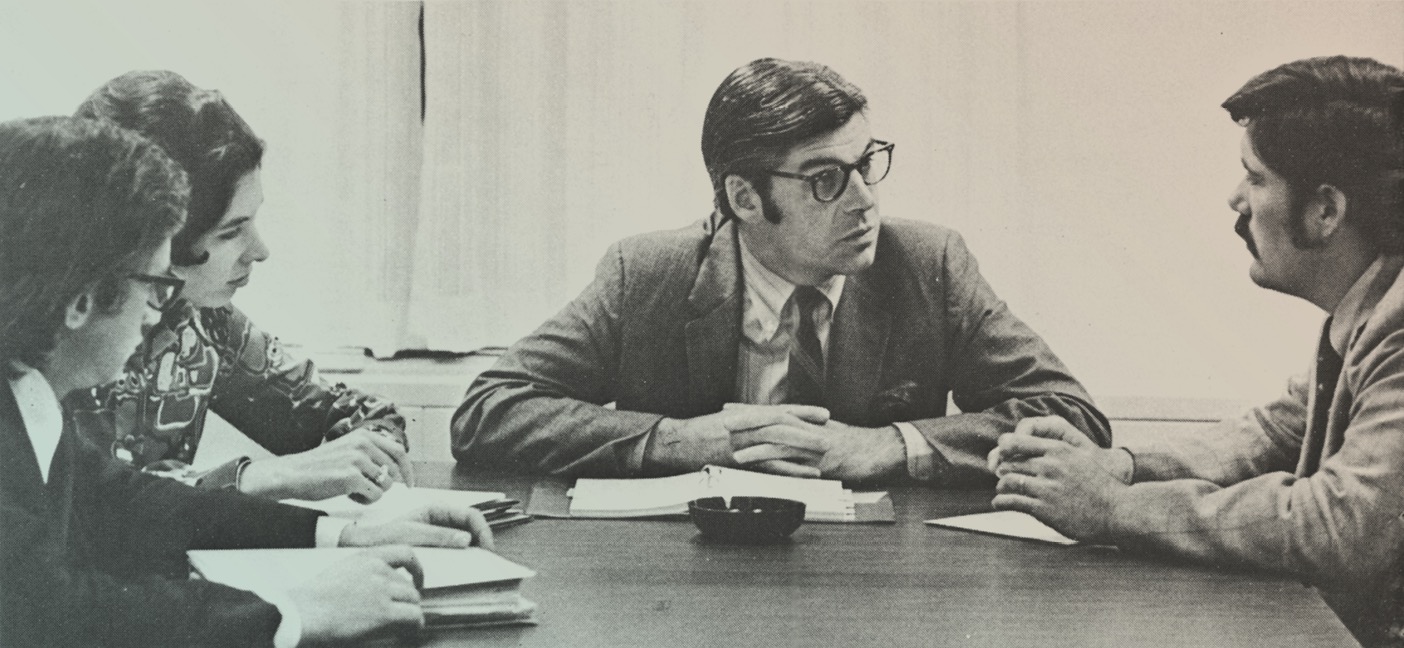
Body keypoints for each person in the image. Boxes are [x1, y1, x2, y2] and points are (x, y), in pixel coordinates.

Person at [454, 58, 1110, 484]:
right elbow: (489, 411)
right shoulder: (648, 273)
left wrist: (891, 446)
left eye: (867, 163)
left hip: (874, 578)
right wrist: (672, 441)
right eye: (826, 179)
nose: (865, 201)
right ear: (745, 199)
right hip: (685, 574)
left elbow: (1073, 418)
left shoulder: (926, 264)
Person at [0, 116, 496, 648]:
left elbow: (131, 504)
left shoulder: (29, 393)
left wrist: (341, 535)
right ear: (81, 300)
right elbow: (48, 614)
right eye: (155, 285)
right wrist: (290, 614)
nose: (158, 311)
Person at [986, 55, 1404, 646]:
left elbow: (1343, 526)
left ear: (1327, 210)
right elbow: (1274, 433)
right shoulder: (1371, 303)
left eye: (1255, 178)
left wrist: (1114, 510)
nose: (1237, 199)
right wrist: (1121, 468)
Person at [65, 70, 411, 502]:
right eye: (231, 232)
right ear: (153, 235)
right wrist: (255, 478)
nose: (260, 251)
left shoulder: (202, 322)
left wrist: (366, 454)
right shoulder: (55, 340)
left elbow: (358, 414)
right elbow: (76, 513)